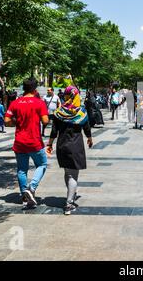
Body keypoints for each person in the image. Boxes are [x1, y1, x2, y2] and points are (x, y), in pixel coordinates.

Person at [47, 86, 93, 215]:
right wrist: (89, 139)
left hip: (62, 145)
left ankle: (71, 194)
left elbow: (54, 131)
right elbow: (87, 128)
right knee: (73, 175)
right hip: (76, 145)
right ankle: (69, 204)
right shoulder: (81, 112)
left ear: (66, 96)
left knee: (68, 173)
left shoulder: (58, 112)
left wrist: (49, 145)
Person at [5, 79, 49, 210]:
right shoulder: (39, 103)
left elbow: (6, 120)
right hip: (34, 141)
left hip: (19, 142)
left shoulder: (15, 103)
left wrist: (17, 122)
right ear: (35, 89)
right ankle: (32, 188)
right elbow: (45, 120)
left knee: (22, 170)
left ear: (23, 88)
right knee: (42, 164)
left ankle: (24, 195)